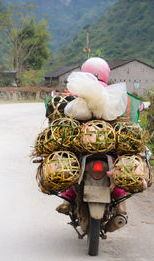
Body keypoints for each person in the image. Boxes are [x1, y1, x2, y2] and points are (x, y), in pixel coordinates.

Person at [56, 57, 127, 216]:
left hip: (84, 143)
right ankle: (121, 200)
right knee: (118, 163)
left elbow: (69, 113)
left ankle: (67, 198)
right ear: (106, 74)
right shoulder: (112, 94)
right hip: (107, 145)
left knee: (73, 162)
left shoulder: (79, 93)